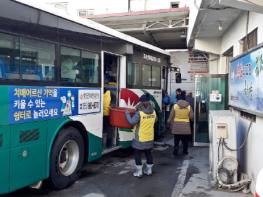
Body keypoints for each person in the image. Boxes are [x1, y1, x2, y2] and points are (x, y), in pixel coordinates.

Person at [125, 93, 157, 178]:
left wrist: (127, 114)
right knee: (148, 152)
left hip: (140, 136)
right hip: (150, 136)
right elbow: (155, 120)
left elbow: (132, 122)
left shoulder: (140, 113)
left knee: (137, 153)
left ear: (142, 102)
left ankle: (139, 172)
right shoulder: (153, 111)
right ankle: (149, 170)